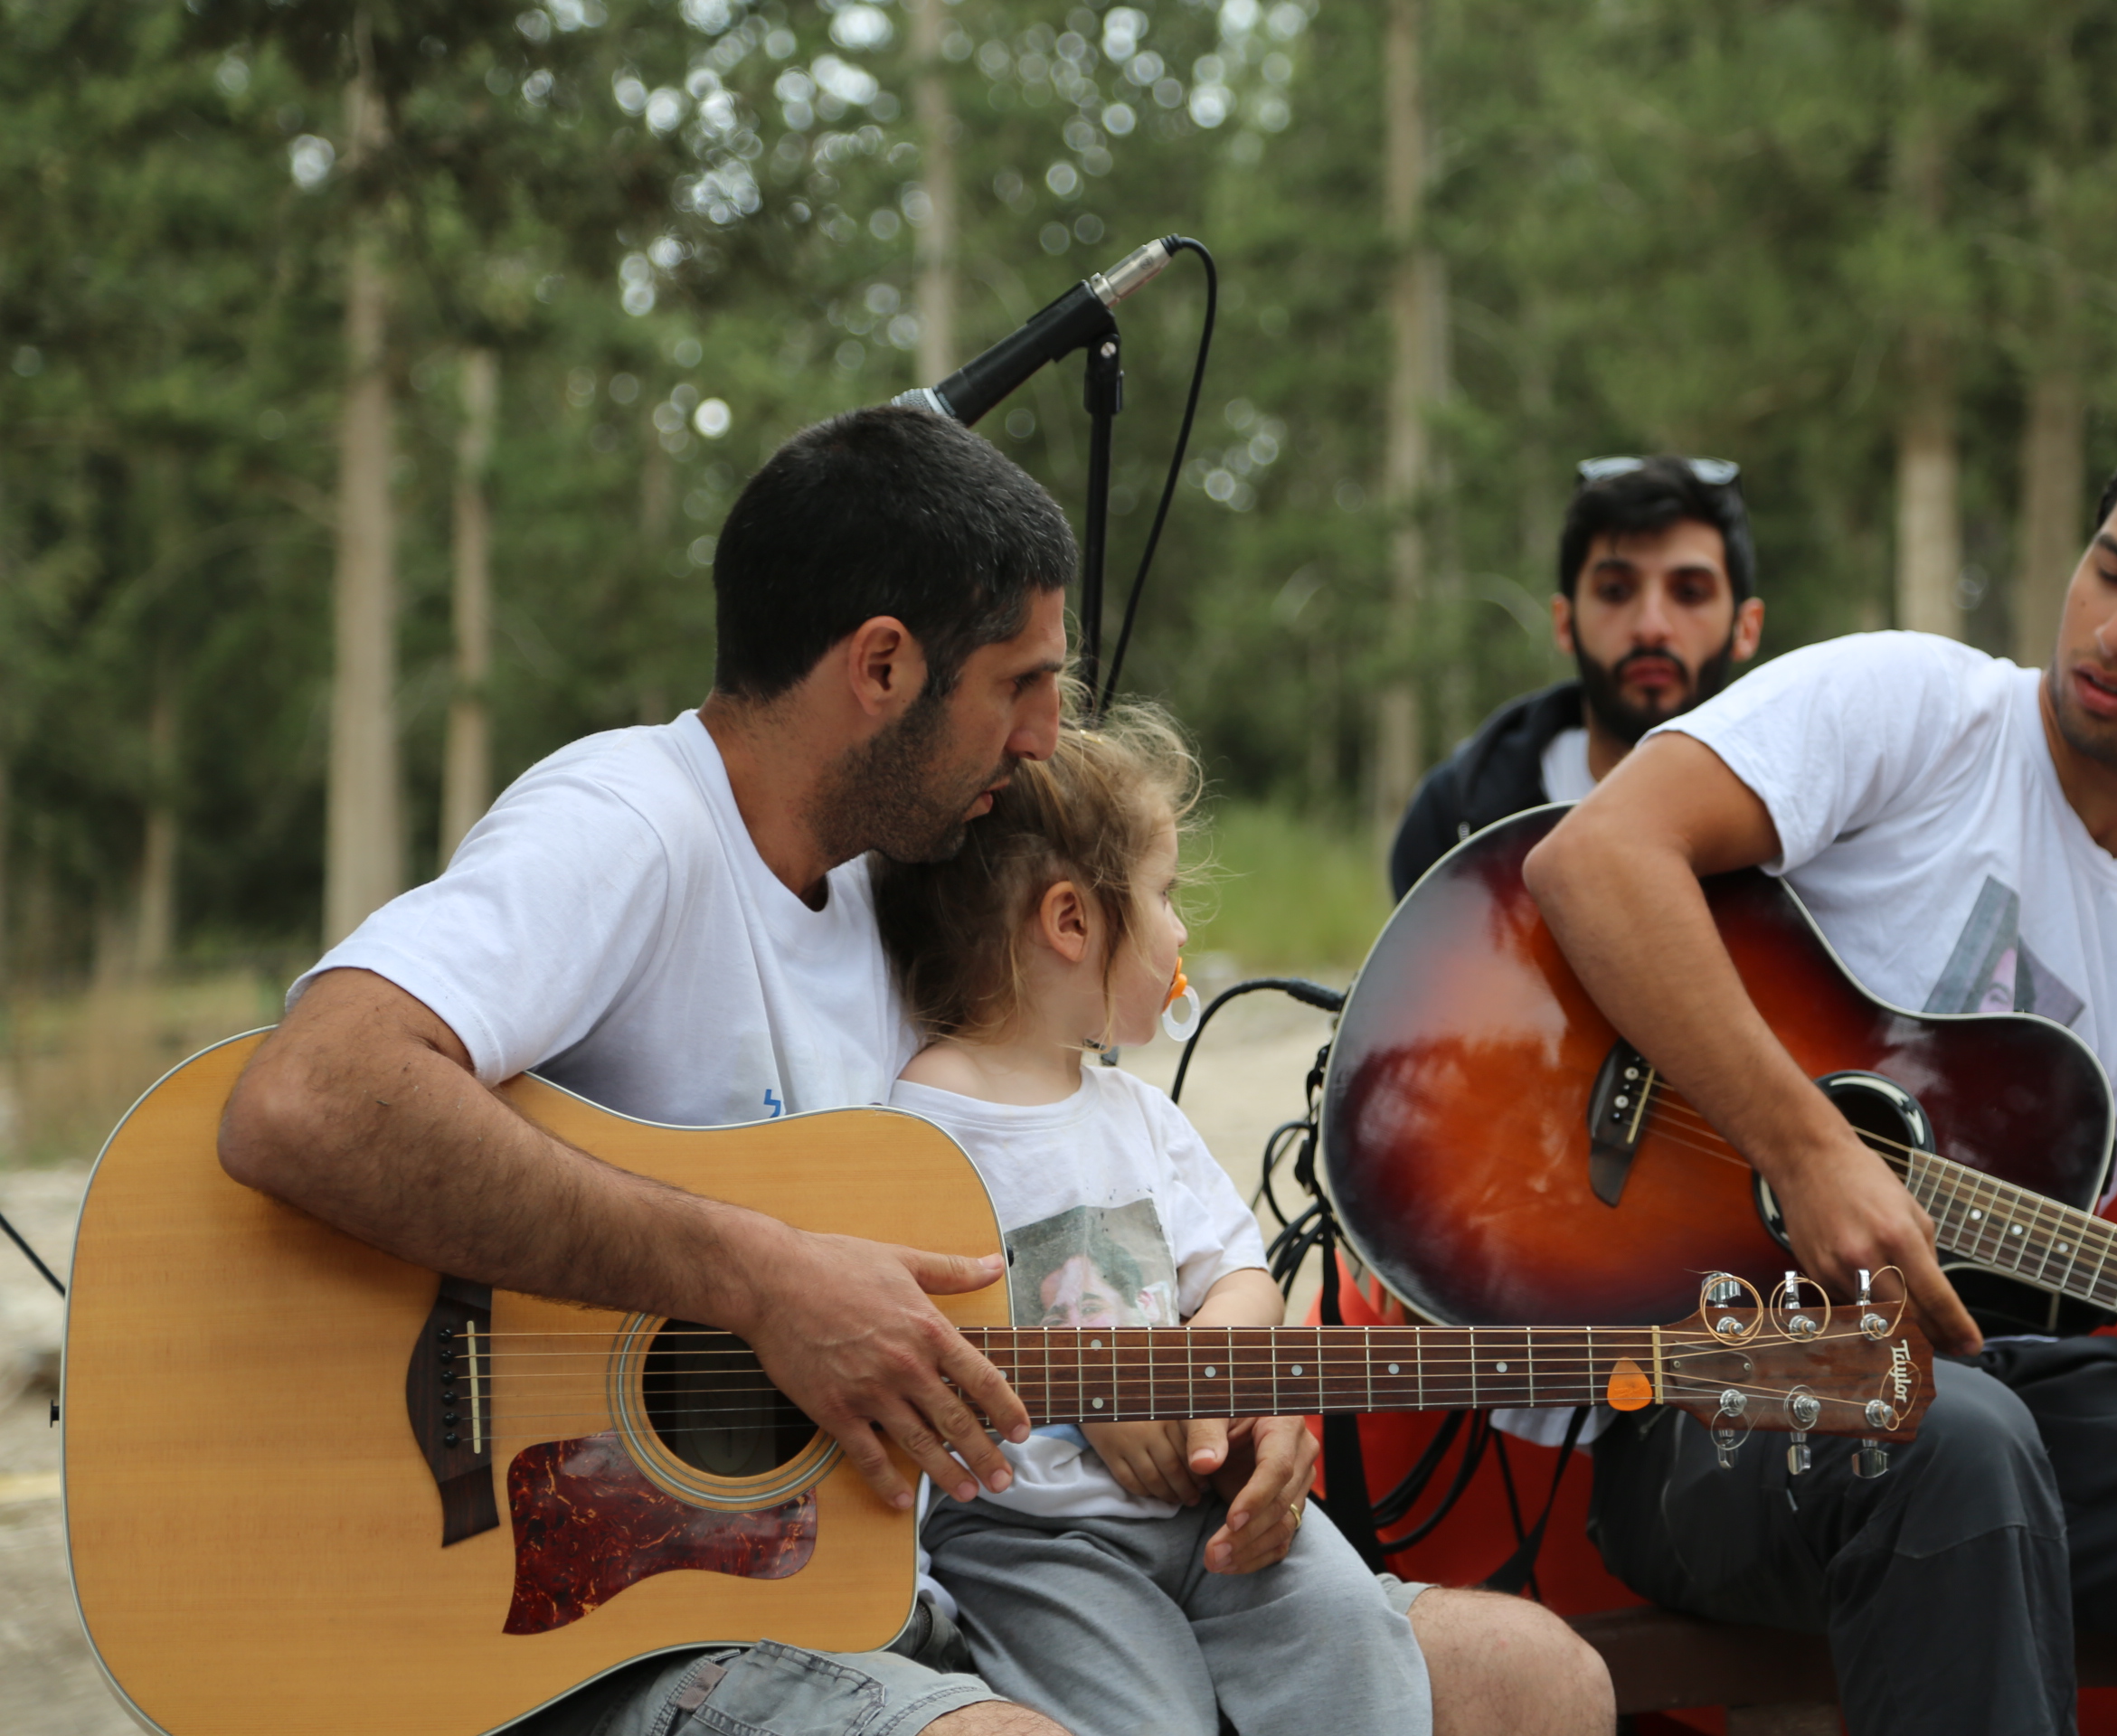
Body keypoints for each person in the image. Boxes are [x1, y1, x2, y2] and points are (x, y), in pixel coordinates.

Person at [218, 402, 1604, 1736]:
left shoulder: (903, 889)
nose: (1044, 734)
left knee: (1536, 1683)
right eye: (1018, 684)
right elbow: (313, 1098)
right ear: (881, 668)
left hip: (914, 1573)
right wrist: (758, 1282)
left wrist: (1252, 1387)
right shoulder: (634, 825)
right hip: (627, 1605)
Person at [1522, 382, 2117, 1736]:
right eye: (2113, 567)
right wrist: (1806, 1150)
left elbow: (1976, 1302)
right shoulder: (1915, 708)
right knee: (1951, 1436)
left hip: (1962, 1387)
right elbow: (1596, 860)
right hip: (1690, 1377)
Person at [875, 706, 1478, 1734]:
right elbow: (912, 1329)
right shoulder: (919, 1123)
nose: (1183, 931)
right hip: (1033, 1540)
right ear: (1072, 923)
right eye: (1164, 896)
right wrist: (1089, 1384)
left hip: (1200, 1505)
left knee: (1352, 1635)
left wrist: (1198, 1365)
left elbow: (1242, 1276)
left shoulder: (1138, 1117)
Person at [1388, 456, 1764, 897]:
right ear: (1564, 622)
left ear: (1745, 628)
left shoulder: (1804, 825)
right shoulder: (1452, 816)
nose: (1651, 626)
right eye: (1615, 591)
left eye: (1690, 593)